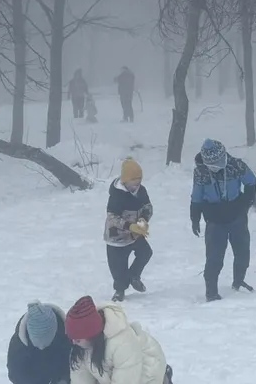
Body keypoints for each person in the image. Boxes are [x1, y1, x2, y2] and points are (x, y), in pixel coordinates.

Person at [190, 139, 256, 302]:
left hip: (237, 216)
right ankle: (211, 291)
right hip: (214, 219)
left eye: (220, 162)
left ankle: (238, 280)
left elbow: (251, 182)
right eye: (213, 164)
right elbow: (197, 195)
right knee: (214, 257)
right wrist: (195, 217)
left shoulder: (236, 165)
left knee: (242, 252)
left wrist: (245, 203)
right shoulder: (201, 172)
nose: (217, 166)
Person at [64, 296, 172, 384]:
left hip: (147, 372)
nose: (74, 342)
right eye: (71, 338)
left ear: (91, 335)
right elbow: (80, 379)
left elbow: (127, 379)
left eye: (77, 340)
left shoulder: (122, 343)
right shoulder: (81, 347)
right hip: (114, 374)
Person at [105, 158, 153, 302]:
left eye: (139, 181)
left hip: (135, 234)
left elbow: (148, 207)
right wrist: (129, 226)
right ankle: (120, 290)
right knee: (118, 266)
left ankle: (134, 275)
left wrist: (143, 220)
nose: (137, 184)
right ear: (125, 181)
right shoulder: (116, 195)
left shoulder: (141, 191)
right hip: (117, 236)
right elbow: (112, 217)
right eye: (134, 181)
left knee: (145, 253)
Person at [7, 301, 73, 384]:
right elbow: (15, 375)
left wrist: (63, 379)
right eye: (37, 344)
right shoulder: (18, 346)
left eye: (45, 344)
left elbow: (71, 361)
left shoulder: (65, 335)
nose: (41, 347)